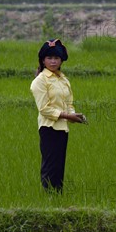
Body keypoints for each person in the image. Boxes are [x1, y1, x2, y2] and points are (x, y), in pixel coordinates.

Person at [30, 39, 86, 193]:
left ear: (61, 60)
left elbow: (68, 103)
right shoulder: (39, 81)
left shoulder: (63, 79)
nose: (53, 61)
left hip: (62, 128)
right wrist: (68, 116)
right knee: (50, 165)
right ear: (43, 60)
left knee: (59, 164)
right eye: (49, 58)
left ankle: (57, 196)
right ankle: (49, 197)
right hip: (49, 127)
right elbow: (44, 109)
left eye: (56, 58)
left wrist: (74, 115)